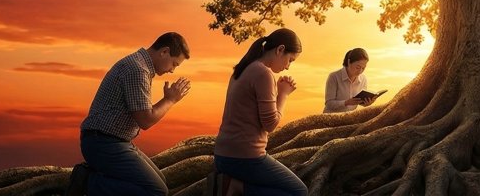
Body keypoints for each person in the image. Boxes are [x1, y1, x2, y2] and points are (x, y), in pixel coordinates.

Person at [67, 32, 193, 196]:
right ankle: (88, 182)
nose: (172, 70)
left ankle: (100, 179)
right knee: (156, 190)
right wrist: (170, 100)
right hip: (102, 143)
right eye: (174, 64)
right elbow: (145, 120)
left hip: (116, 141)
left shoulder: (141, 66)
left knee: (161, 181)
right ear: (164, 52)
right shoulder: (137, 70)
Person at [212, 28, 309, 196]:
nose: (287, 67)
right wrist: (284, 94)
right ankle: (237, 188)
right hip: (244, 157)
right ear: (280, 50)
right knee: (298, 191)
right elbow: (270, 124)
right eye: (290, 60)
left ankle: (237, 186)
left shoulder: (242, 68)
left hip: (223, 154)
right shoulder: (263, 73)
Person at [323, 47, 375, 113]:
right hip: (330, 118)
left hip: (349, 118)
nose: (360, 71)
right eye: (358, 67)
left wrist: (367, 103)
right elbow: (329, 104)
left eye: (363, 68)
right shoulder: (334, 77)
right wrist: (346, 103)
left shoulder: (363, 79)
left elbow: (360, 102)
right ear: (349, 62)